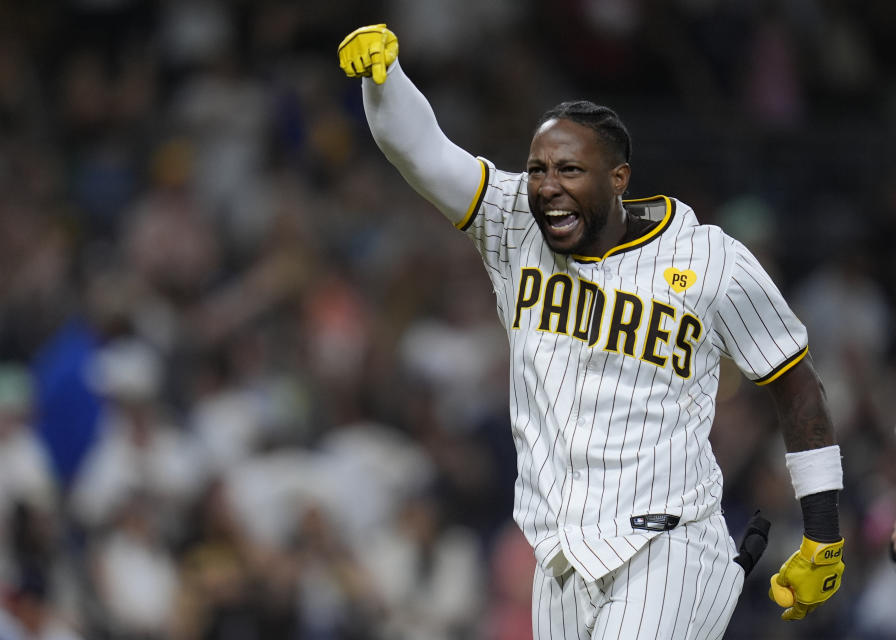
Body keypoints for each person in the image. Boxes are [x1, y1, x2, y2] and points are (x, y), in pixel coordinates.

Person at [337, 24, 845, 640]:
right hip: (558, 557)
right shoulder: (512, 223)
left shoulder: (711, 260)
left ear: (619, 179)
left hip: (672, 547)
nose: (548, 187)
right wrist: (383, 83)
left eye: (570, 170)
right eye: (537, 169)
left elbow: (796, 387)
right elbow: (421, 151)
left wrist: (821, 531)